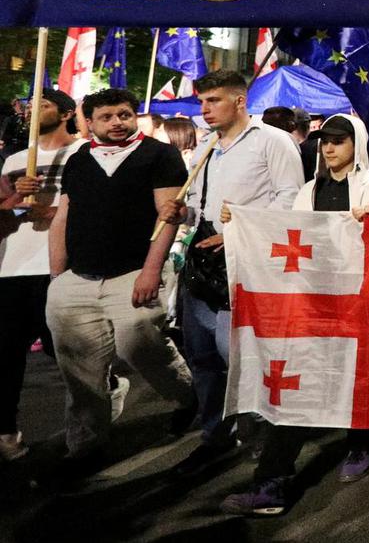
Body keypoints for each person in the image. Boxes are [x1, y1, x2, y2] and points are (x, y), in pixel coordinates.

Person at [221, 114, 369, 516]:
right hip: (312, 302)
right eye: (325, 141)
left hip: (359, 302)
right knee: (296, 383)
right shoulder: (306, 192)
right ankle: (272, 483)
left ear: (358, 144)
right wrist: (240, 224)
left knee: (359, 374)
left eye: (339, 140)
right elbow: (284, 236)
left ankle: (360, 441)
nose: (329, 147)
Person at [158, 70, 304, 475]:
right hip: (201, 266)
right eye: (202, 102)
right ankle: (215, 435)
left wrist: (240, 227)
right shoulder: (205, 146)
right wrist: (181, 211)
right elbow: (200, 205)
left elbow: (291, 202)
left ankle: (265, 441)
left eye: (213, 101)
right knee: (202, 357)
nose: (204, 110)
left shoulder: (272, 142)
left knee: (239, 355)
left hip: (245, 265)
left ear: (240, 101)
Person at [45, 88, 196, 467]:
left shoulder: (160, 155)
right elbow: (64, 216)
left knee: (140, 345)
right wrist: (57, 277)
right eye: (107, 117)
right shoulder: (79, 159)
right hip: (77, 279)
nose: (117, 123)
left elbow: (167, 219)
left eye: (125, 115)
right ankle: (85, 446)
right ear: (90, 122)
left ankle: (189, 396)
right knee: (79, 370)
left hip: (132, 274)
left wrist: (150, 272)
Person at [0, 90, 85, 461]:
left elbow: (97, 208)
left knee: (62, 350)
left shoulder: (84, 155)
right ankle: (6, 431)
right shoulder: (15, 160)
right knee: (5, 353)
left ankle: (90, 416)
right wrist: (13, 201)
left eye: (44, 106)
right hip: (13, 267)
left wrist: (54, 213)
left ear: (67, 113)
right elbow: (4, 218)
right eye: (31, 108)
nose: (34, 112)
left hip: (60, 266)